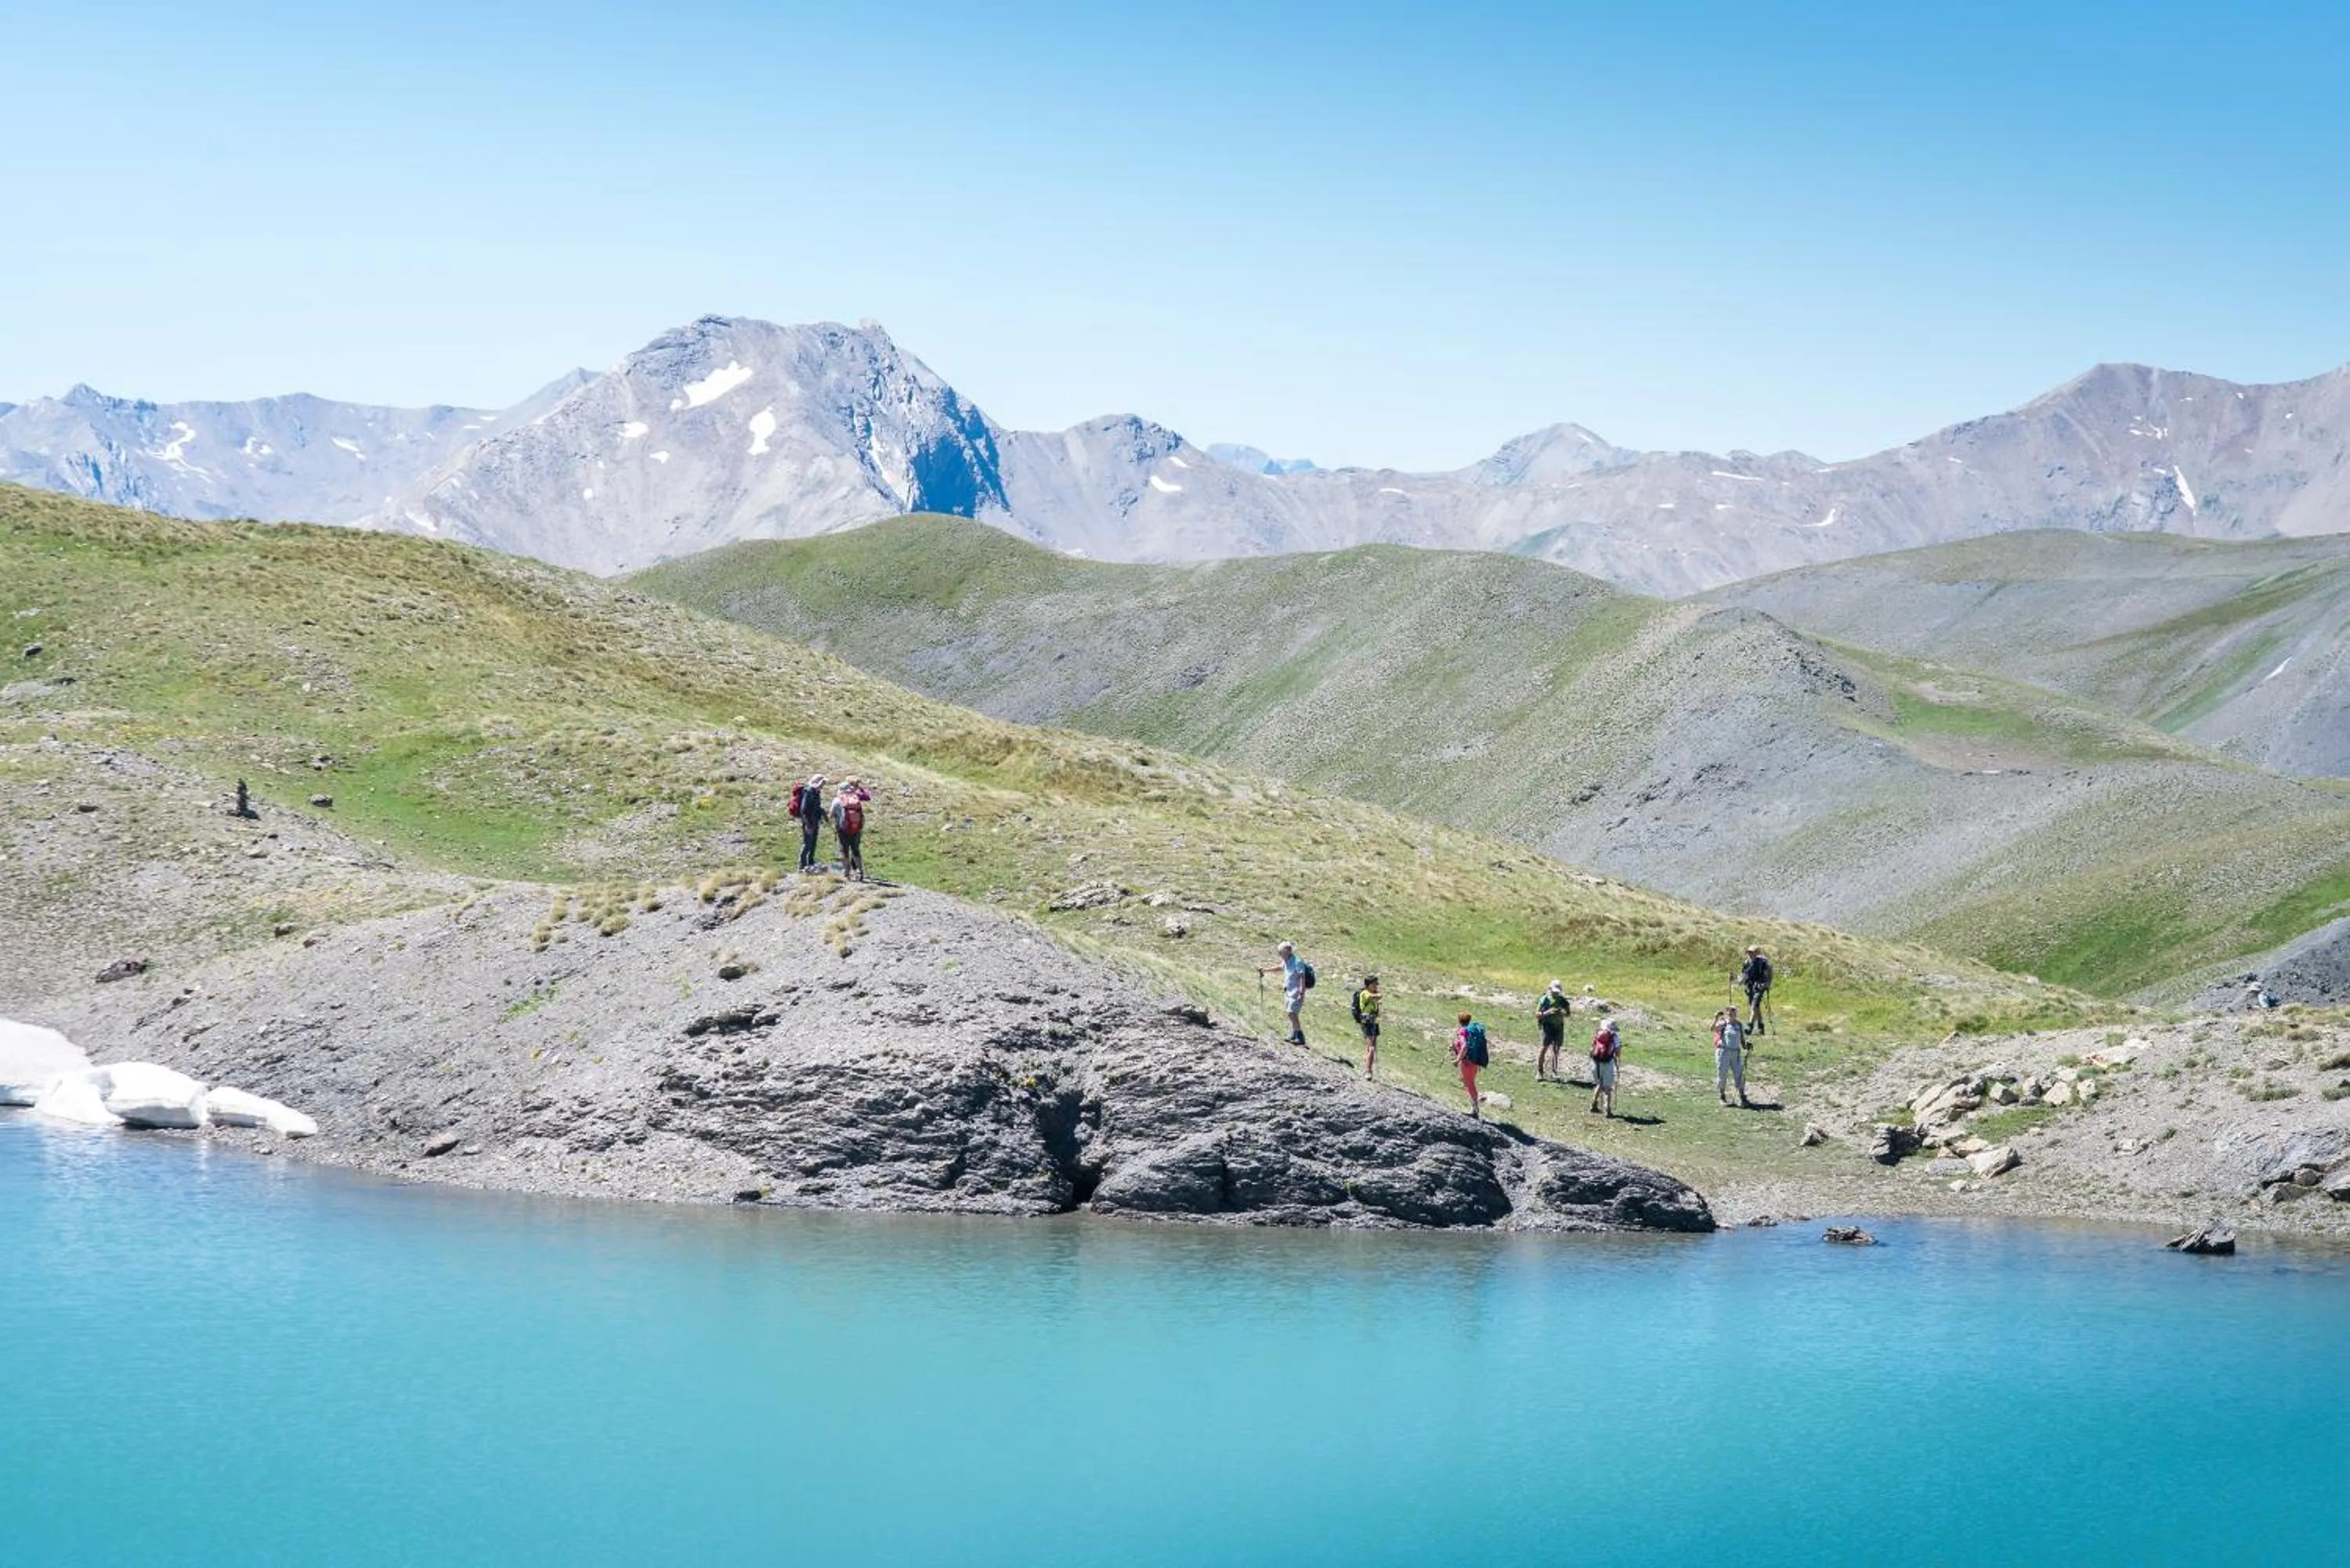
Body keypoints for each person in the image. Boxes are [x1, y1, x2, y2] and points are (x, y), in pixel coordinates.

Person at [1256, 941, 1311, 1046]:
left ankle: (1300, 1037)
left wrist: (1301, 993)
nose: (1279, 954)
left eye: (1280, 952)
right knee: (1291, 1013)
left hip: (1295, 992)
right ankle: (1294, 1035)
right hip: (1288, 991)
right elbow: (1280, 968)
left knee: (1292, 1013)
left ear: (1286, 951)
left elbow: (1301, 977)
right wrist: (1266, 970)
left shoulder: (1297, 962)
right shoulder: (1286, 961)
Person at [1452, 1011, 1490, 1118]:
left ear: (1459, 1020)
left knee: (1470, 1084)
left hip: (1467, 1062)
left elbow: (1465, 1047)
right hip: (1475, 1062)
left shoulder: (1463, 1032)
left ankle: (1475, 1110)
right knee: (1468, 1082)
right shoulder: (1471, 1031)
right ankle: (1474, 1105)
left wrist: (1457, 1060)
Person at [832, 776, 871, 880]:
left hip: (842, 830)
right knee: (856, 850)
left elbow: (831, 814)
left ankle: (846, 874)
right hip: (856, 829)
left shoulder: (837, 800)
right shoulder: (855, 799)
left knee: (844, 851)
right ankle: (860, 872)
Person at [1535, 980, 1571, 1082]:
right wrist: (1548, 1012)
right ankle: (1540, 1071)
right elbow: (1537, 1014)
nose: (1556, 993)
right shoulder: (1545, 999)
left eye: (1557, 991)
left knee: (1556, 1050)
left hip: (1559, 1026)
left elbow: (1568, 1014)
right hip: (1547, 1026)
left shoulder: (1563, 1000)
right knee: (1544, 1048)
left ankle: (1554, 1072)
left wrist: (1562, 1013)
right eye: (1554, 991)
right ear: (1550, 989)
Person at [1714, 1009, 1750, 1107]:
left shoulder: (1739, 1025)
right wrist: (1716, 1018)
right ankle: (1722, 1096)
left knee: (1739, 1074)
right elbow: (1713, 1029)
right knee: (1722, 1073)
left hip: (1736, 1053)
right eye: (1730, 1013)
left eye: (1734, 1013)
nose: (1732, 1015)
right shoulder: (1723, 1024)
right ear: (1726, 1014)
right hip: (1724, 1052)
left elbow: (1742, 1040)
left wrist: (1747, 1045)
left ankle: (1743, 1097)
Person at [794, 774, 827, 871]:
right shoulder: (808, 792)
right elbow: (803, 810)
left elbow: (816, 806)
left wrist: (823, 814)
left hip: (815, 820)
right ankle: (802, 865)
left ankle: (810, 861)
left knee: (813, 842)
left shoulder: (816, 792)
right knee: (807, 843)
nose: (823, 786)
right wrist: (807, 824)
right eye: (822, 783)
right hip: (809, 822)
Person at [1350, 975, 1383, 1079]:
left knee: (1372, 1046)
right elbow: (1376, 997)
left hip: (1374, 1022)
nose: (1376, 986)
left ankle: (1367, 1065)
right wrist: (1378, 994)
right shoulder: (1365, 993)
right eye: (1374, 984)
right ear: (1368, 985)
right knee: (1371, 1048)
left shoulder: (1372, 993)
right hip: (1367, 1021)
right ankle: (1368, 1071)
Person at [1589, 1018, 1622, 1118]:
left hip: (1595, 1062)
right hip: (1607, 1062)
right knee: (1607, 1087)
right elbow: (1618, 1053)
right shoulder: (1615, 1037)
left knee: (1599, 1083)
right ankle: (1607, 1110)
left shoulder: (1597, 1033)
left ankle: (1593, 1105)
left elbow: (1591, 1048)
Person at [1738, 945, 1773, 1036]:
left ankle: (1750, 1027)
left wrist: (1767, 985)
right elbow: (1744, 974)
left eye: (1752, 952)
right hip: (1750, 987)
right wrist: (1738, 980)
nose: (1750, 954)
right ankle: (1761, 1026)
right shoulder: (1747, 962)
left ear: (1757, 953)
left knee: (1754, 1006)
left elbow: (1768, 976)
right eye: (1749, 952)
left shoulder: (1763, 963)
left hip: (1760, 987)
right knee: (1756, 1007)